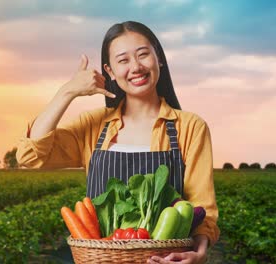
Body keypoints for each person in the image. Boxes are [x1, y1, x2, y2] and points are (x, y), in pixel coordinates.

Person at [16, 21, 219, 264]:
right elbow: (30, 156)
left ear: (159, 59)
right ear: (109, 71)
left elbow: (201, 207)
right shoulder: (93, 126)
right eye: (123, 60)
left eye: (143, 54)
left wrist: (199, 252)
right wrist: (67, 91)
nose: (136, 67)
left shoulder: (189, 127)